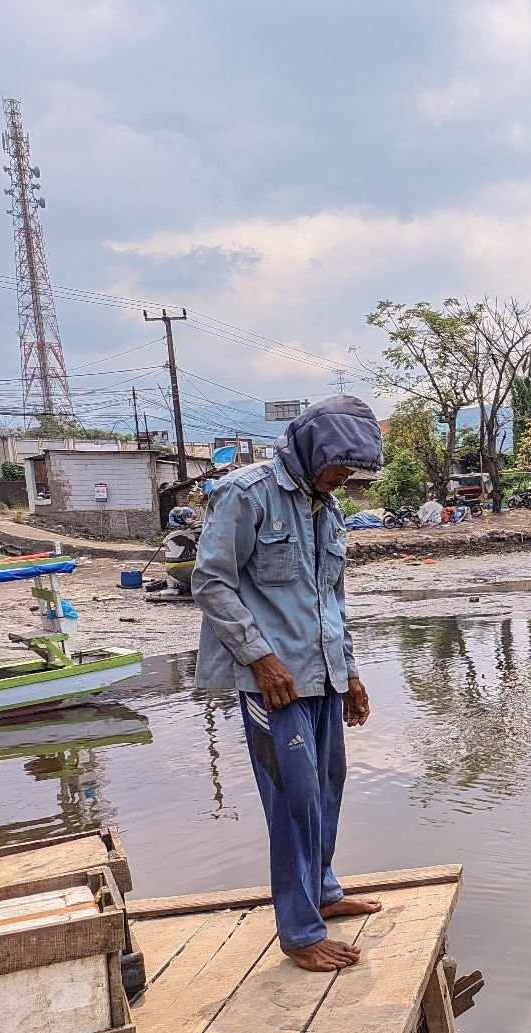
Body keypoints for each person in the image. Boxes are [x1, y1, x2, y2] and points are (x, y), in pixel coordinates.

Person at [193, 395, 385, 972]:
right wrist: (260, 658)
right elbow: (210, 583)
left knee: (328, 786)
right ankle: (300, 931)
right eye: (340, 466)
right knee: (293, 799)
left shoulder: (326, 507)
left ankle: (323, 892)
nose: (345, 479)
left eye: (353, 471)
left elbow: (332, 598)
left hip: (322, 675)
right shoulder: (246, 494)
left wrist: (348, 672)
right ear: (313, 450)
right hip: (271, 685)